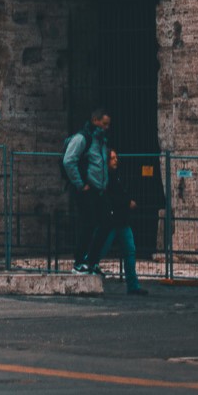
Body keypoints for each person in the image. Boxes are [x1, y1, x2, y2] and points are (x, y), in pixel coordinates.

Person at [86, 150, 148, 296]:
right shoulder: (104, 178)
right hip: (110, 221)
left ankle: (133, 286)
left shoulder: (116, 176)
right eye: (112, 158)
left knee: (130, 251)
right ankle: (86, 276)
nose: (115, 161)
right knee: (100, 250)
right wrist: (127, 202)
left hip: (122, 220)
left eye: (116, 158)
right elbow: (110, 198)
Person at [62, 107, 111, 273]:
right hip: (86, 189)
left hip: (99, 190)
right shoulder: (82, 138)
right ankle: (79, 262)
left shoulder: (101, 140)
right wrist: (80, 184)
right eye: (104, 123)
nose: (106, 127)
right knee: (88, 225)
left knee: (105, 223)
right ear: (95, 121)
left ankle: (92, 261)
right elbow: (69, 161)